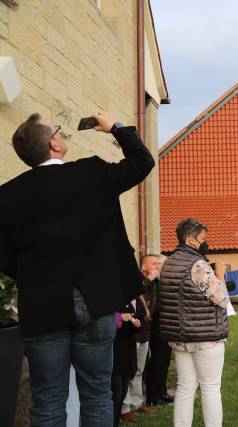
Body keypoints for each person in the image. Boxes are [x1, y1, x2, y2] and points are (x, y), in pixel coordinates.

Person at [0, 112, 154, 426]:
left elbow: (4, 256)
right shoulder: (92, 172)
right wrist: (116, 128)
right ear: (54, 144)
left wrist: (33, 276)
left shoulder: (7, 195)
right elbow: (142, 161)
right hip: (95, 300)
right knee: (97, 394)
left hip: (41, 305)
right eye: (56, 131)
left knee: (47, 400)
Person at [157, 219, 229, 427]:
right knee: (210, 388)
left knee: (185, 387)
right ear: (190, 239)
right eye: (203, 239)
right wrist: (220, 275)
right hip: (205, 337)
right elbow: (221, 297)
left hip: (179, 337)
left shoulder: (168, 262)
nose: (205, 243)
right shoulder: (198, 264)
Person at [121, 255, 160, 419]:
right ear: (144, 267)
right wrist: (148, 280)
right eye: (154, 263)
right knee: (129, 370)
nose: (158, 266)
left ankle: (137, 402)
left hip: (145, 333)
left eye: (158, 263)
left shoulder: (153, 283)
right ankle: (125, 408)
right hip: (133, 333)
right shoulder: (138, 281)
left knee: (139, 371)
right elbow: (136, 294)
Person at [146, 254, 175, 407]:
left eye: (161, 264)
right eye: (157, 264)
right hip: (156, 328)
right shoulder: (152, 282)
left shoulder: (162, 281)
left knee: (164, 361)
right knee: (156, 362)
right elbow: (153, 306)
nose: (161, 267)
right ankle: (152, 395)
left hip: (166, 327)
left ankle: (162, 391)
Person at [112, 301, 143, 426]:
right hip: (115, 354)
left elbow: (137, 325)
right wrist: (119, 318)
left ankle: (115, 421)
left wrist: (137, 324)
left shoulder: (129, 305)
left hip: (128, 355)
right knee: (116, 392)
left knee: (123, 391)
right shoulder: (112, 304)